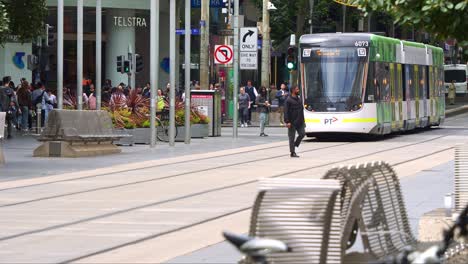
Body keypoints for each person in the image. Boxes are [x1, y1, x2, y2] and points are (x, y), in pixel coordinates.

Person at [284, 86, 305, 158]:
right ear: (293, 90)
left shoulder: (298, 99)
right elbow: (286, 111)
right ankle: (292, 152)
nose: (298, 90)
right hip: (292, 122)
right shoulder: (288, 100)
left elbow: (301, 109)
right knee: (291, 138)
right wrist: (287, 122)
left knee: (302, 133)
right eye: (297, 89)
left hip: (300, 121)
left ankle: (295, 144)